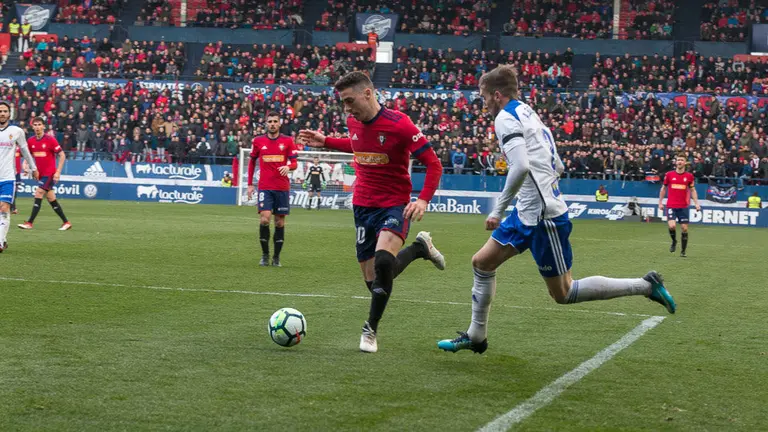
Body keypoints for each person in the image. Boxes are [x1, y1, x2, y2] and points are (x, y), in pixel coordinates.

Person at [436, 66, 676, 355]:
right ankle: (476, 336)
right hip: (528, 212)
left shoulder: (504, 118)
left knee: (564, 293)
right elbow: (557, 163)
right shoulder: (527, 112)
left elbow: (520, 166)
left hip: (542, 218)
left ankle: (646, 285)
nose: (483, 103)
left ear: (497, 95)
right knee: (482, 263)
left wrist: (497, 210)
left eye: (484, 96)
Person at [299, 71, 445, 353]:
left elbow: (433, 163)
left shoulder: (400, 124)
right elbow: (357, 144)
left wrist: (423, 200)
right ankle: (419, 249)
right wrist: (326, 141)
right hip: (363, 205)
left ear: (367, 93)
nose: (346, 108)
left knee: (383, 262)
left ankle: (370, 330)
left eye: (349, 100)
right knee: (374, 281)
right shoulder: (353, 122)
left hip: (394, 203)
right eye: (343, 102)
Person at [247, 112, 297, 267]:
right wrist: (250, 184)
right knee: (265, 218)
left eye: (275, 121)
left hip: (281, 187)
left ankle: (276, 257)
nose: (273, 124)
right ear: (266, 124)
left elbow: (294, 163)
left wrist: (288, 167)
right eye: (270, 121)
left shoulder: (288, 141)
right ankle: (265, 255)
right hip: (265, 187)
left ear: (279, 124)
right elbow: (252, 162)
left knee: (279, 223)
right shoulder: (258, 141)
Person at [18, 117, 72, 231]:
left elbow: (62, 155)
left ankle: (29, 222)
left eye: (39, 124)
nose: (37, 127)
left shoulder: (50, 140)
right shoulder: (31, 141)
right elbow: (28, 155)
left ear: (43, 126)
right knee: (51, 198)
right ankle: (66, 222)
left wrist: (58, 172)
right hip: (40, 174)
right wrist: (25, 164)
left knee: (38, 193)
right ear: (32, 127)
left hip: (49, 173)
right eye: (35, 125)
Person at [0, 101, 39, 253]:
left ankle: (0, 242)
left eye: (5, 111)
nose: (2, 113)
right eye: (0, 111)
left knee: (4, 207)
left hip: (7, 177)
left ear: (9, 113)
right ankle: (3, 239)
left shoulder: (16, 131)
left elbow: (25, 150)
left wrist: (33, 168)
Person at [658, 154, 701, 258]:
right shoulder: (669, 175)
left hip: (683, 206)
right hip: (671, 205)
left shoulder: (689, 176)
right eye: (678, 160)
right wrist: (660, 202)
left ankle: (683, 251)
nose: (679, 162)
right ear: (676, 162)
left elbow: (693, 190)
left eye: (682, 160)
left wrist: (696, 203)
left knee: (684, 228)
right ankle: (674, 241)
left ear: (685, 163)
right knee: (672, 226)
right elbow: (663, 188)